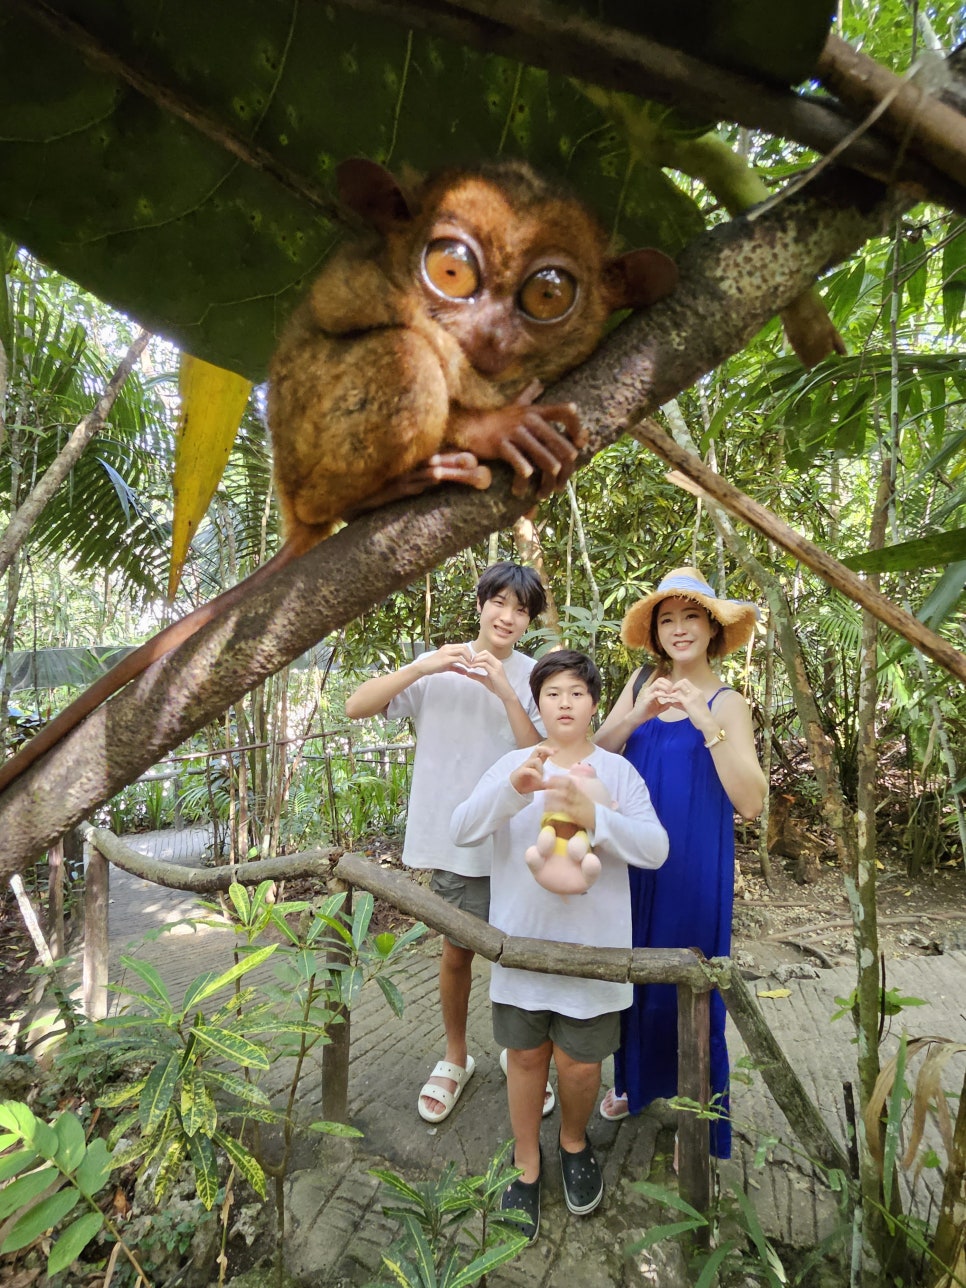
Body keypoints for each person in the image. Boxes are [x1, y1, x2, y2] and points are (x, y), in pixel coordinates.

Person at [451, 651, 669, 1242]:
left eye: (577, 692)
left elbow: (655, 849)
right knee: (524, 1058)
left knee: (579, 1066)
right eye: (552, 693)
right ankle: (526, 1164)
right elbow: (462, 828)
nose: (565, 703)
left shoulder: (618, 773)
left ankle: (574, 1144)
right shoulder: (514, 763)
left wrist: (593, 816)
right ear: (537, 704)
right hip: (520, 951)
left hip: (594, 957)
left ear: (595, 703)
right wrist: (514, 794)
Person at [345, 561, 549, 1124]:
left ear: (528, 620)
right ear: (481, 603)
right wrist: (426, 665)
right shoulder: (437, 666)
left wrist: (508, 693)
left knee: (520, 955)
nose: (508, 616)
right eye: (499, 602)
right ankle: (456, 1057)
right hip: (455, 839)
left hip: (520, 841)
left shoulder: (534, 676)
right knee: (457, 951)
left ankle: (518, 1053)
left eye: (521, 609)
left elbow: (543, 755)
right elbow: (356, 706)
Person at [594, 567, 766, 1158]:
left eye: (691, 616)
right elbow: (595, 755)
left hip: (694, 868)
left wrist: (705, 722)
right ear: (655, 633)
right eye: (667, 619)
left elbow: (750, 802)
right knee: (633, 975)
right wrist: (637, 714)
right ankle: (634, 1082)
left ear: (713, 628)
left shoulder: (729, 703)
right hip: (633, 862)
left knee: (689, 985)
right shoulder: (641, 681)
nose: (678, 629)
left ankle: (700, 1109)